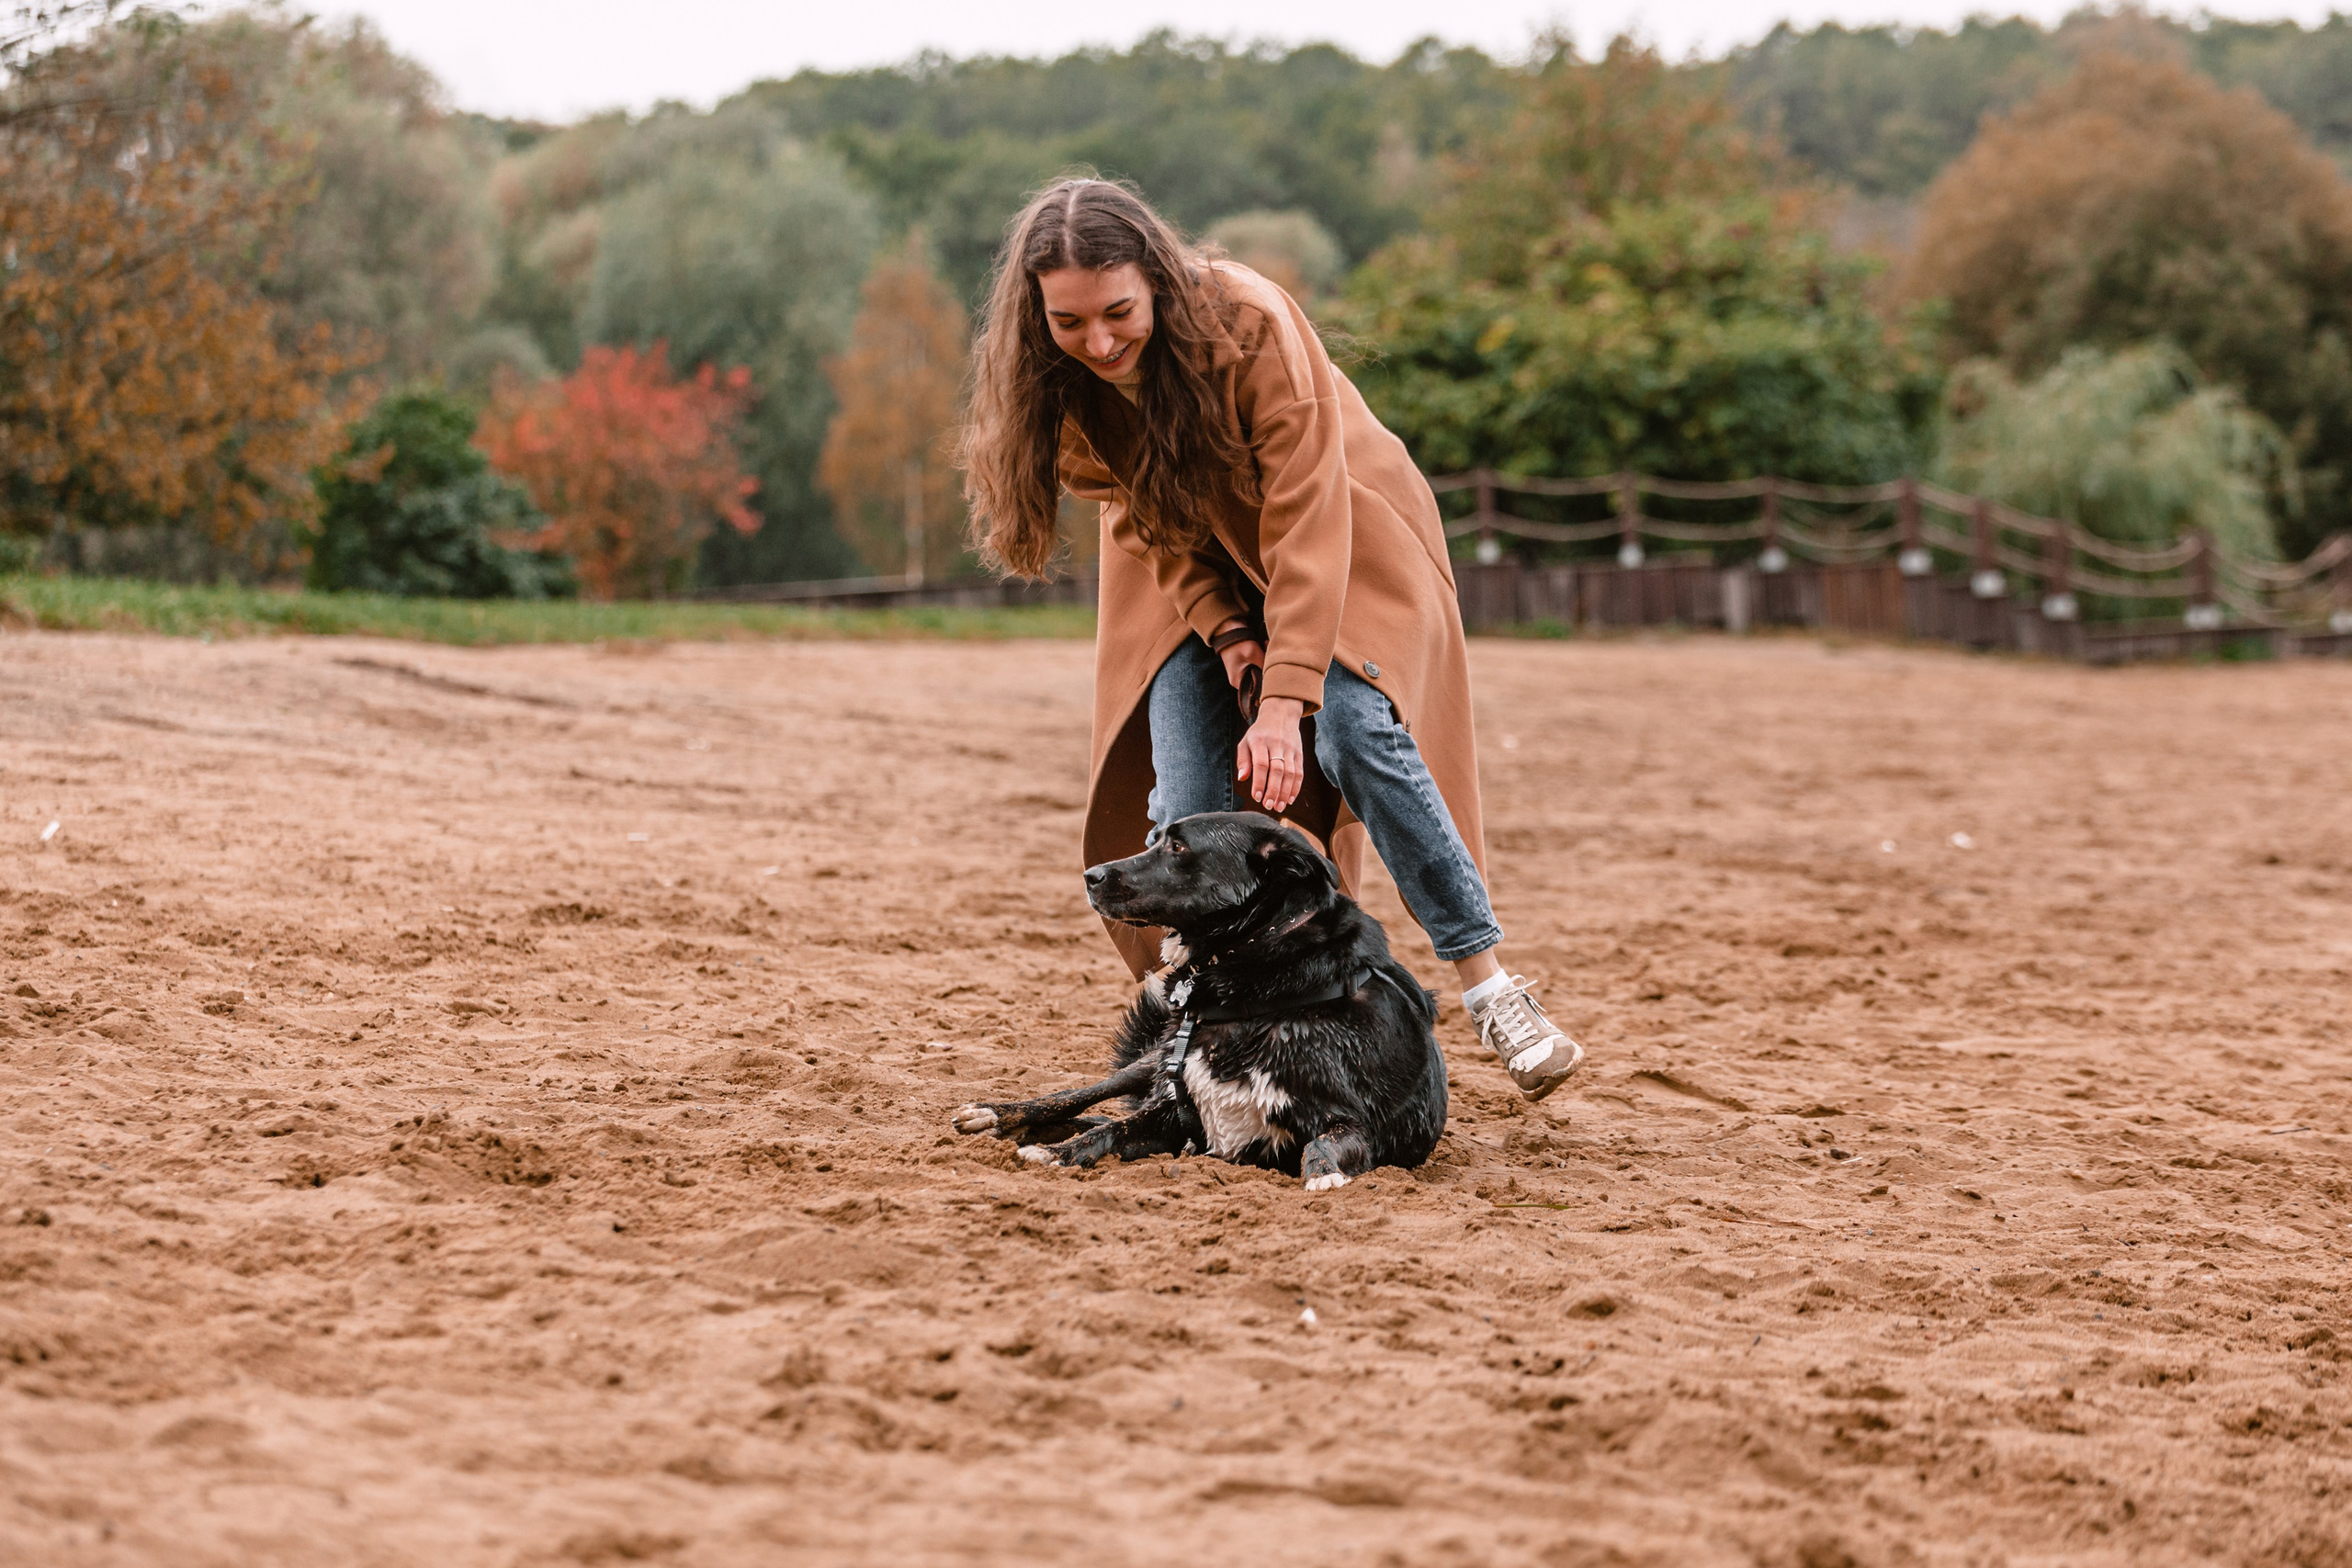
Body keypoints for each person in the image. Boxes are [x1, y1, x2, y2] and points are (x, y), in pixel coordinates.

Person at [958, 176, 1585, 1100]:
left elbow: (1305, 513)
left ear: (1159, 281)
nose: (1098, 343)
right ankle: (1199, 1027)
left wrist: (1286, 695)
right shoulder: (1063, 384)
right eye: (1070, 322)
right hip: (1191, 563)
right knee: (1187, 800)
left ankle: (1490, 988)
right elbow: (1146, 525)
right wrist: (1222, 631)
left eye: (1119, 313)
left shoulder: (1249, 323)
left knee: (1353, 730)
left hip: (1342, 531)